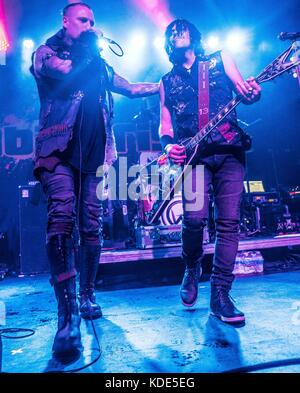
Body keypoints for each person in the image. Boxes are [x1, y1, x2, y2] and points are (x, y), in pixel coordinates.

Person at [31, 2, 159, 357]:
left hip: (95, 157)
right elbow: (62, 74)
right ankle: (66, 313)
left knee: (91, 227)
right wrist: (90, 49)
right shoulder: (47, 52)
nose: (89, 25)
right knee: (61, 217)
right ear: (66, 21)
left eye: (93, 21)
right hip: (57, 150)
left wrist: (163, 84)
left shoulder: (99, 64)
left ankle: (87, 294)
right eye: (83, 20)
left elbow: (130, 88)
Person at [159, 19, 261, 324]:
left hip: (229, 150)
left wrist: (253, 93)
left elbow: (246, 90)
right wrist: (167, 147)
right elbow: (165, 125)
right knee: (193, 221)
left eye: (182, 28)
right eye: (171, 31)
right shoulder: (166, 81)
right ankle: (191, 266)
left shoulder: (219, 59)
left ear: (195, 35)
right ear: (167, 44)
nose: (177, 32)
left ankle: (220, 295)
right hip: (194, 158)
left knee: (228, 224)